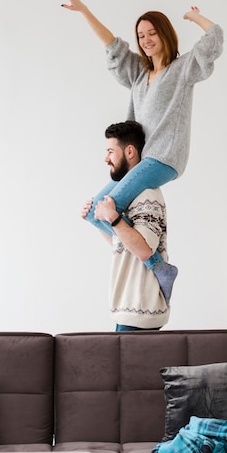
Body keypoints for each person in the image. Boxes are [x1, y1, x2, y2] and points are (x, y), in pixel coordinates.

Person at [62, 0, 224, 303]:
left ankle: (155, 265)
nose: (146, 40)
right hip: (143, 160)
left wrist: (194, 17)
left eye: (151, 33)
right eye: (141, 36)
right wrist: (84, 11)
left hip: (164, 158)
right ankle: (153, 264)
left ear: (164, 34)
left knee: (105, 210)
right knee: (95, 213)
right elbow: (112, 45)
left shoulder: (183, 69)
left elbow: (214, 40)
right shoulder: (139, 73)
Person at [82, 121, 171, 331]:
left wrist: (112, 217)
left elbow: (144, 250)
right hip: (129, 309)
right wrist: (97, 220)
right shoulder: (133, 197)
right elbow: (124, 246)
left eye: (111, 151)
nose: (106, 158)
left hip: (139, 310)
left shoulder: (148, 195)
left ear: (130, 151)